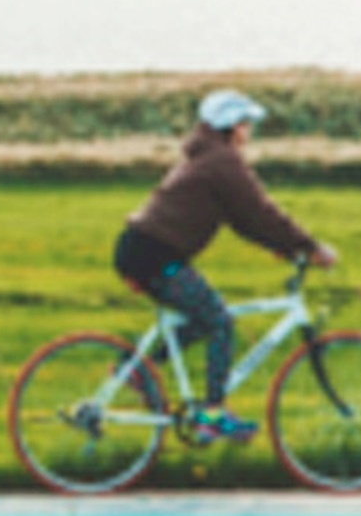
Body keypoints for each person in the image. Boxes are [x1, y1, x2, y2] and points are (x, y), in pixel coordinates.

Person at [113, 89, 338, 445]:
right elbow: (260, 211)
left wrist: (282, 246)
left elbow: (244, 220)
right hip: (154, 255)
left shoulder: (208, 158)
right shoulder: (223, 162)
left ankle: (139, 371)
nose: (249, 132)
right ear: (231, 126)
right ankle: (213, 414)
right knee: (219, 320)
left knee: (203, 316)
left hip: (145, 249)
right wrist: (310, 247)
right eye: (246, 124)